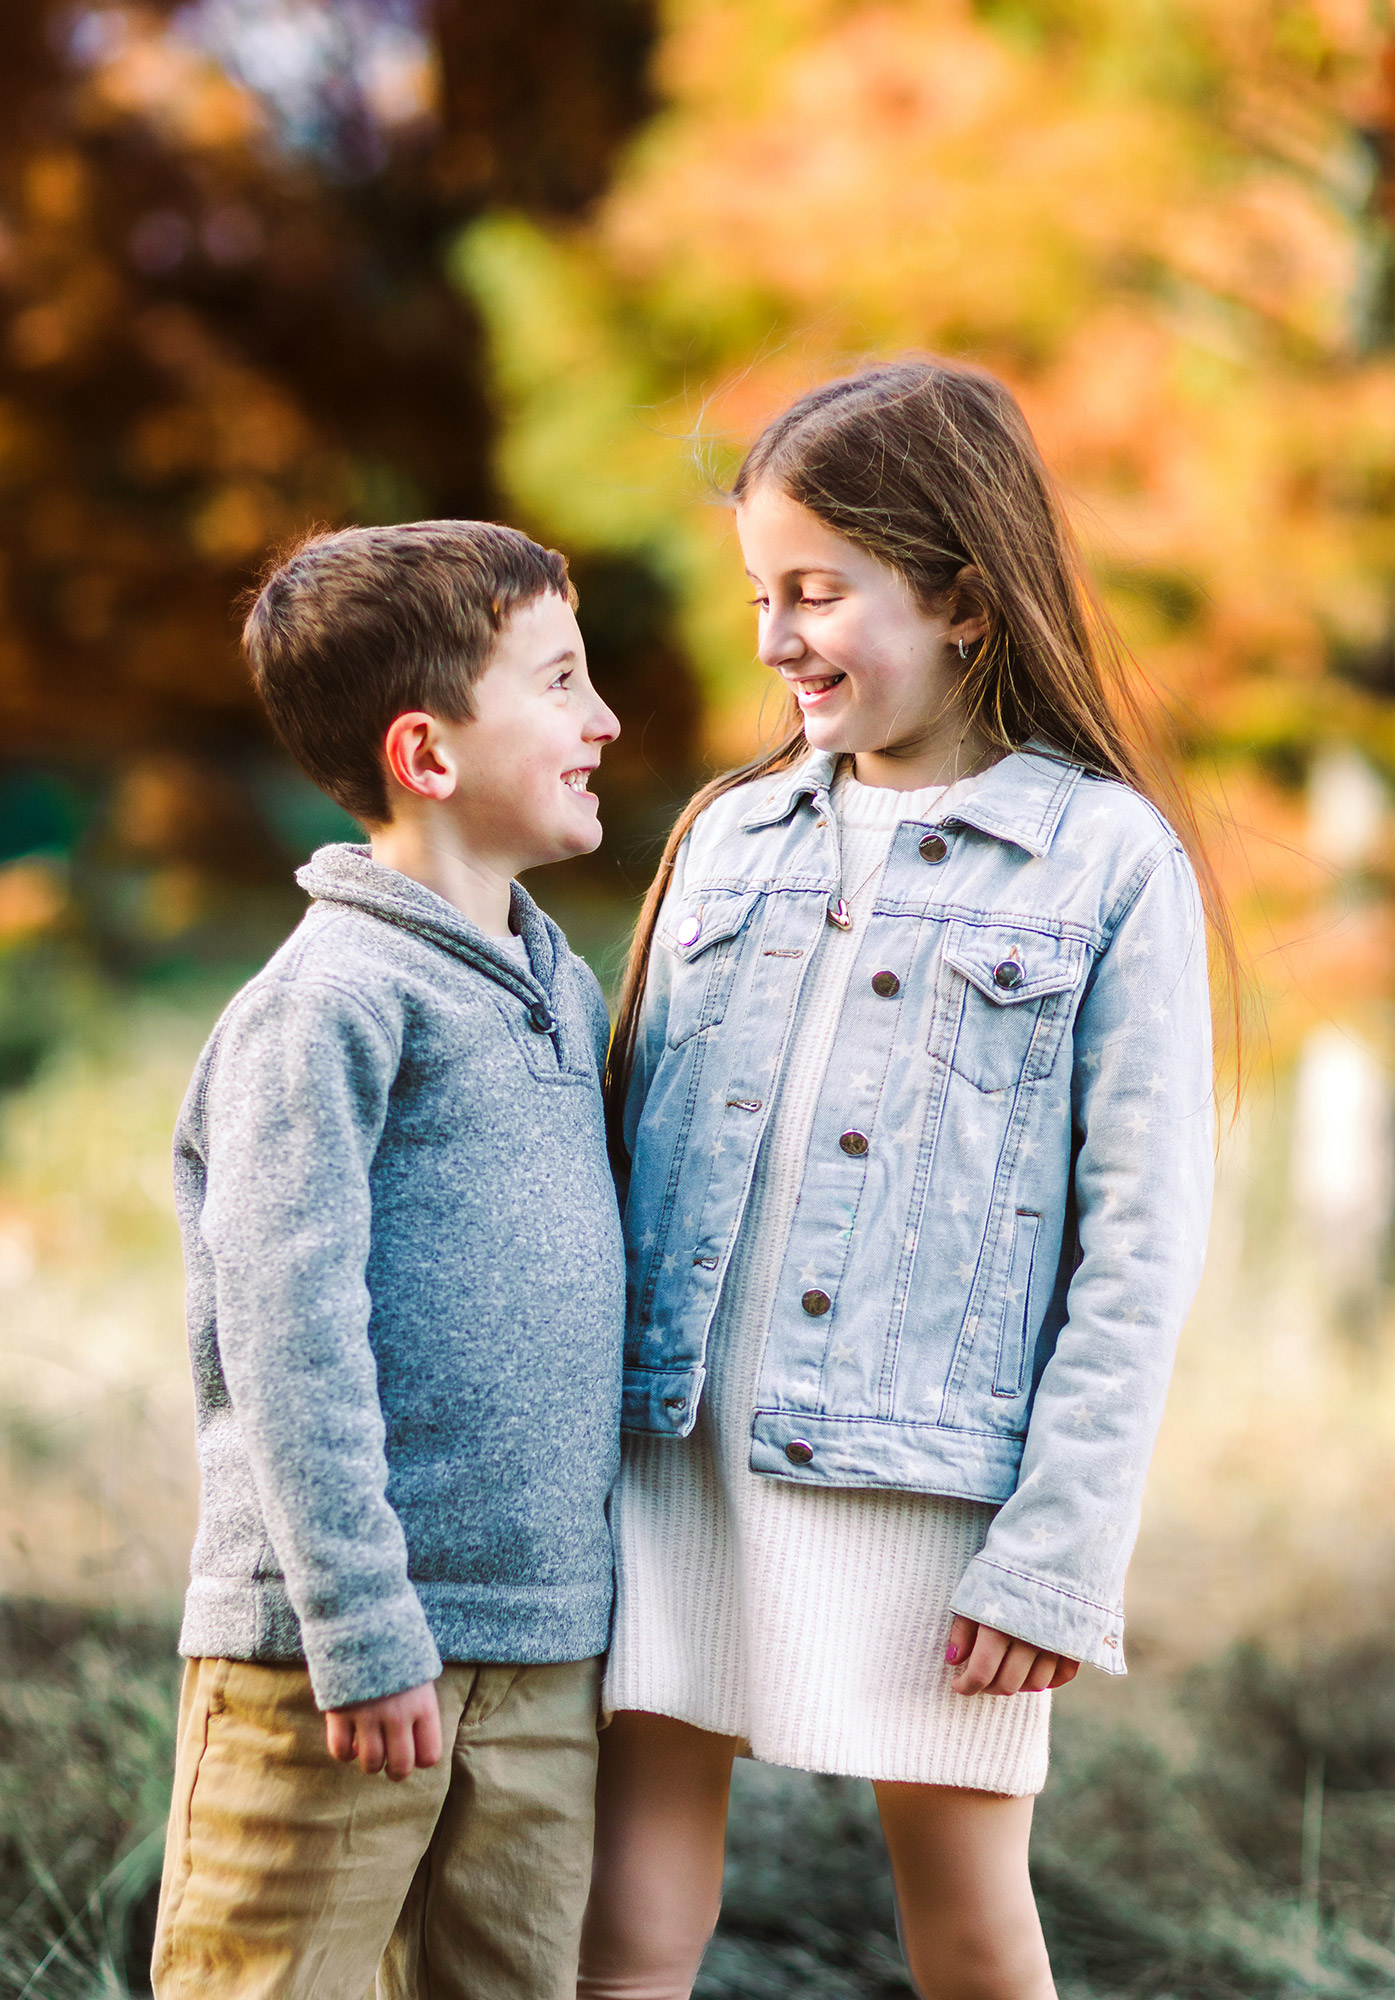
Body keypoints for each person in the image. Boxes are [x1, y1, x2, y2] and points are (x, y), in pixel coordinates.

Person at [579, 361, 1218, 2000]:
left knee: (969, 1918)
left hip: (937, 1486)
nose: (774, 638)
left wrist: (1056, 1551)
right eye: (760, 595)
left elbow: (1142, 1245)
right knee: (625, 1917)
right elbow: (623, 1152)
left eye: (816, 593)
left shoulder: (1105, 862)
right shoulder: (726, 837)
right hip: (673, 1455)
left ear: (965, 602)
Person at [151, 521, 625, 2000]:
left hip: (540, 1652)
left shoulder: (561, 985)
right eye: (561, 682)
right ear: (426, 754)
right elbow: (282, 1332)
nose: (607, 720)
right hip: (331, 1661)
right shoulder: (330, 1004)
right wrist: (359, 1624)